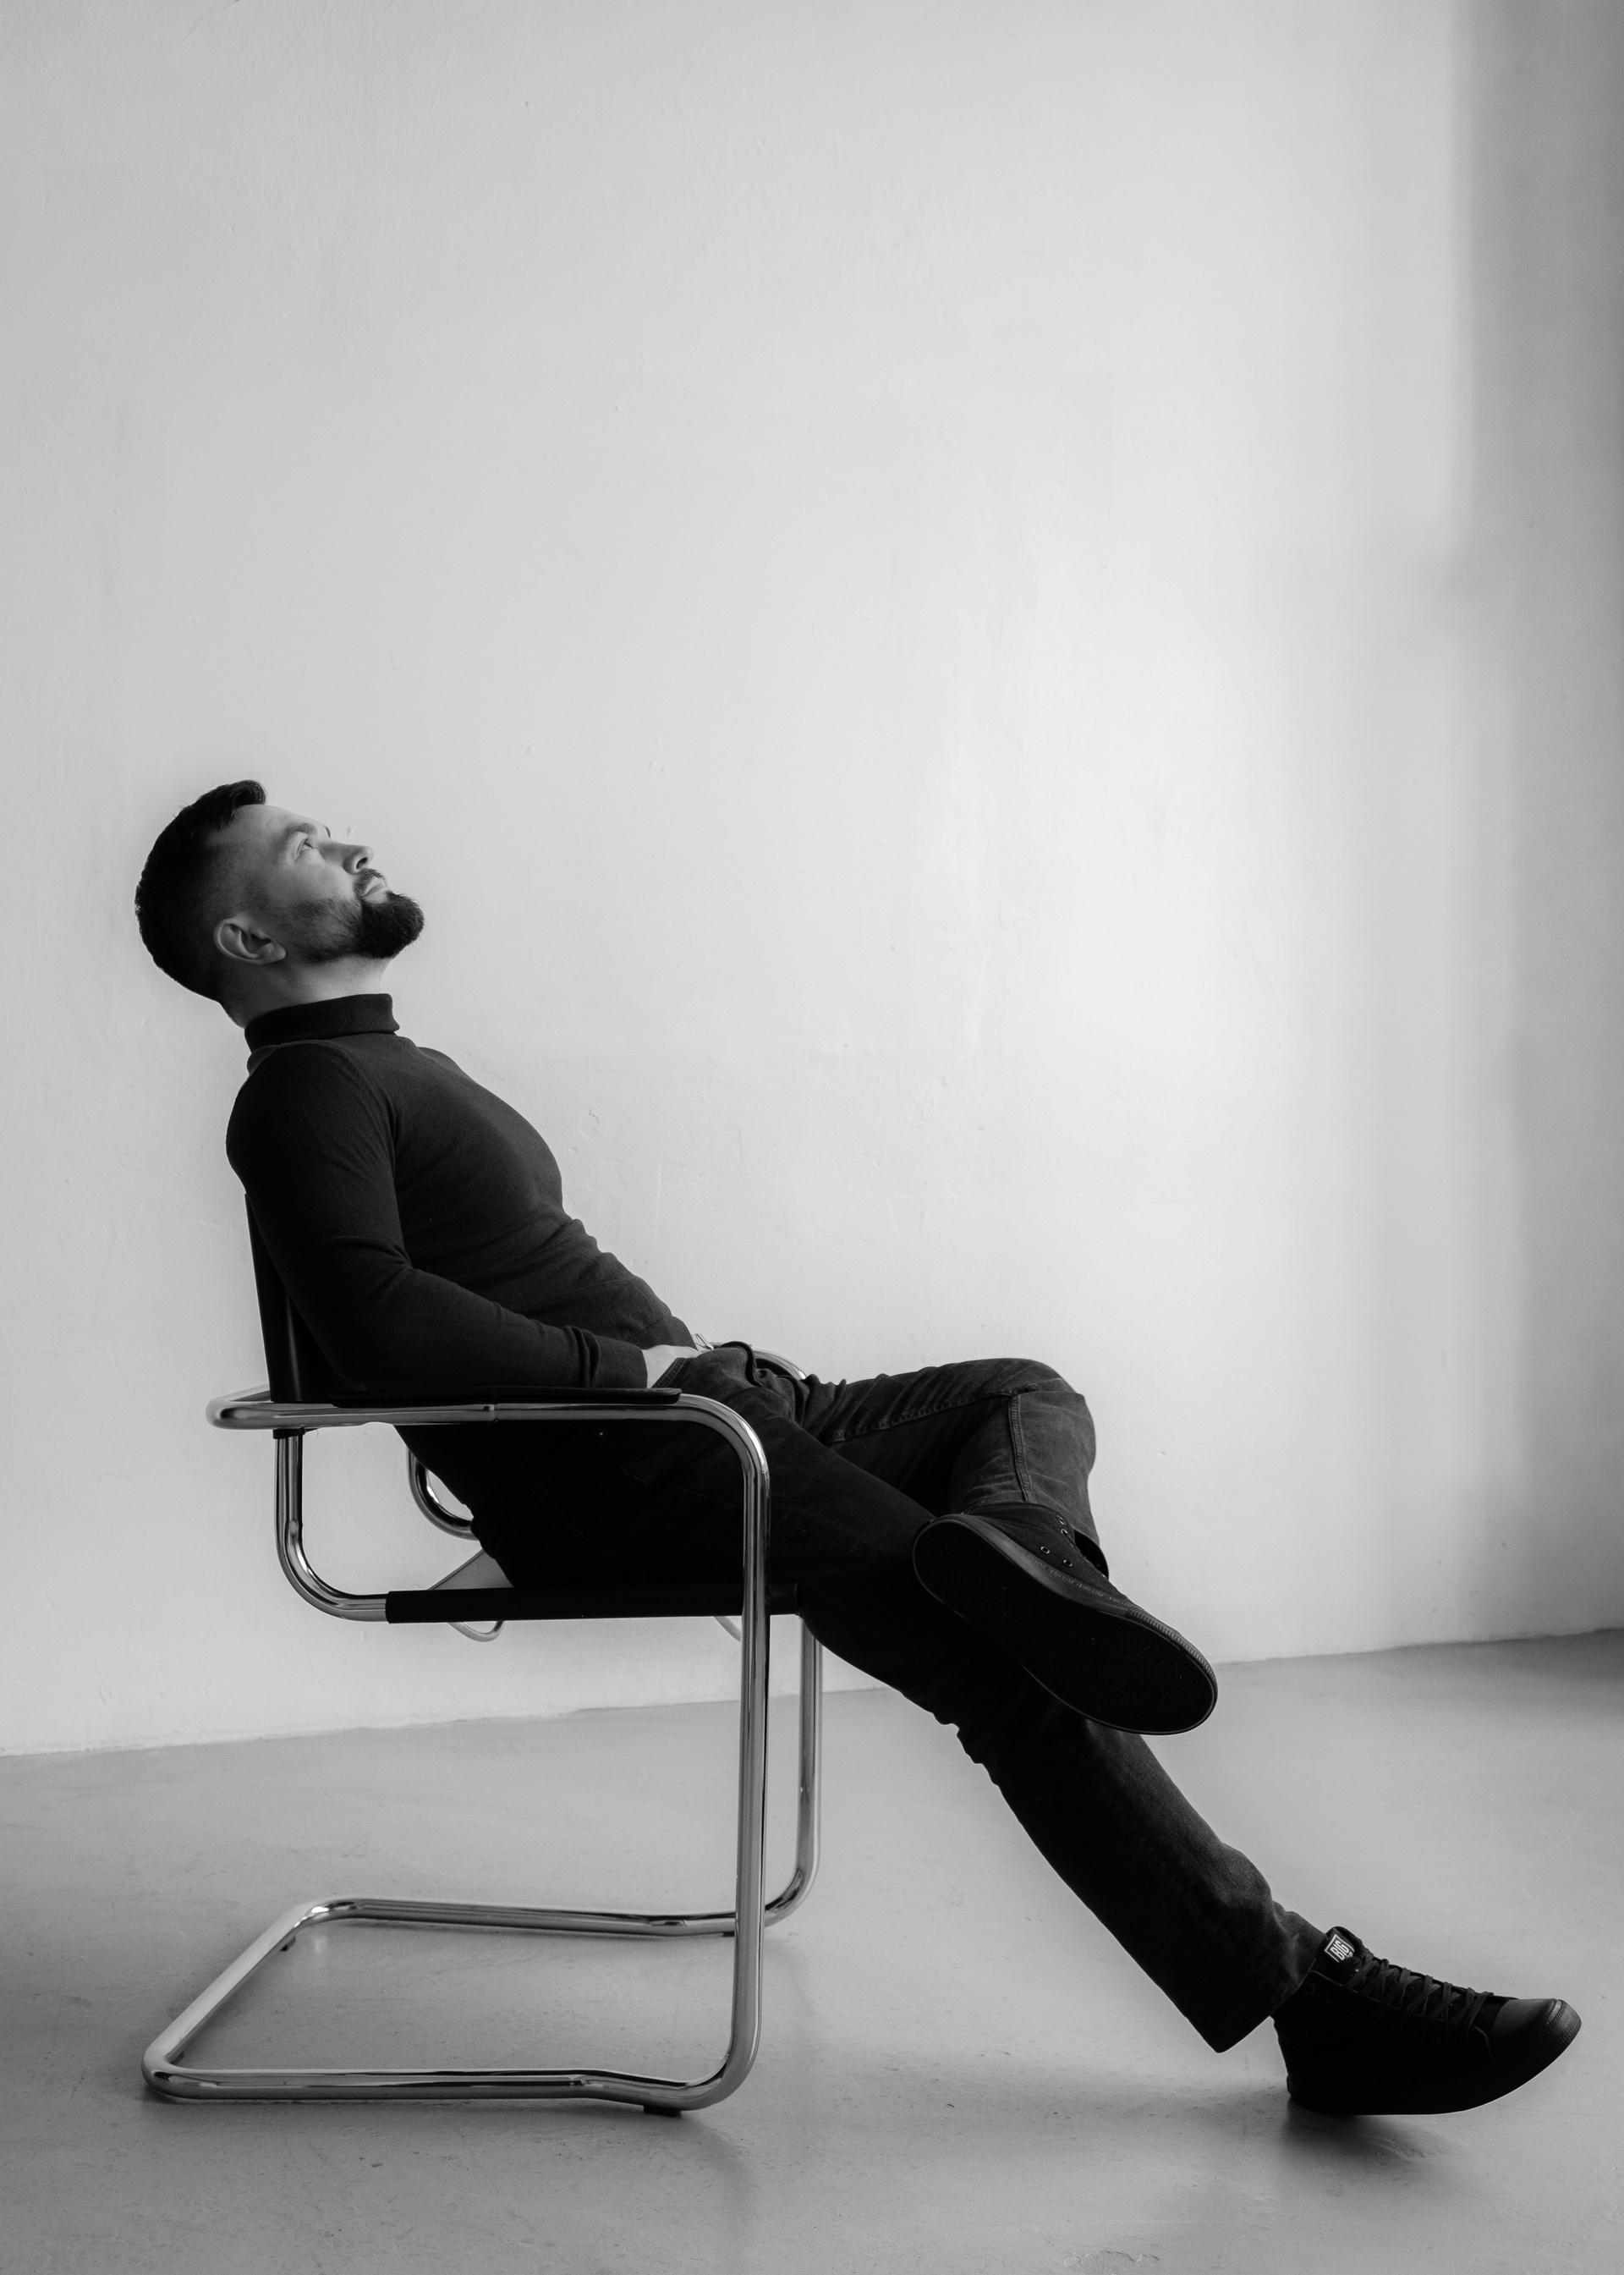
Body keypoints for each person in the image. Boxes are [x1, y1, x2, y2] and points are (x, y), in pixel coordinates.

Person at [134, 778, 1581, 2119]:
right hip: (646, 1456)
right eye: (302, 847)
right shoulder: (305, 1093)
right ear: (247, 937)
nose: (346, 841)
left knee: (1019, 1394)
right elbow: (375, 1321)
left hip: (709, 1419)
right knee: (1007, 1671)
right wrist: (628, 1372)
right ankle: (1308, 1998)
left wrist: (674, 1377)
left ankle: (1025, 1554)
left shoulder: (385, 1065)